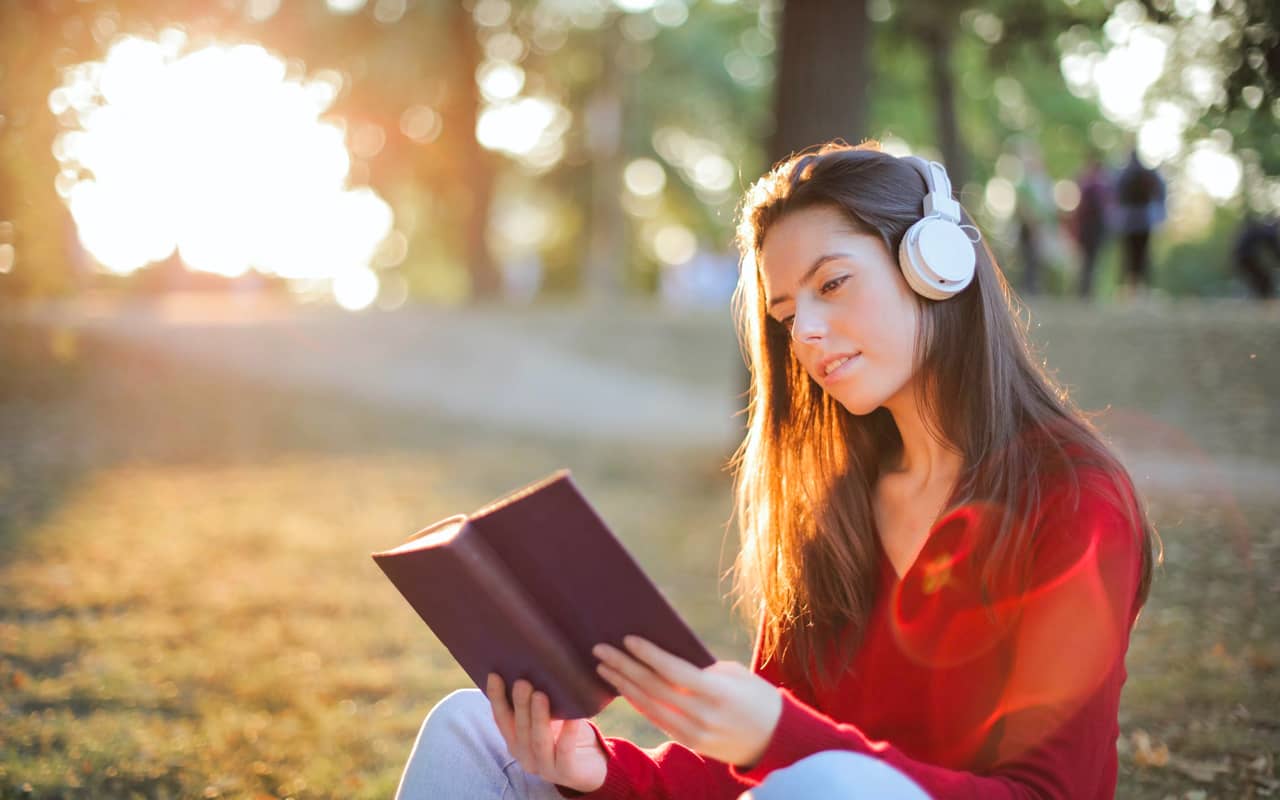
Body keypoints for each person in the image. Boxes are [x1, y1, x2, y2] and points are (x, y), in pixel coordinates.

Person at [393, 141, 1160, 799]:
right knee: (469, 730)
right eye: (788, 315)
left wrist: (784, 739)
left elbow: (1048, 793)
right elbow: (747, 778)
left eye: (832, 284)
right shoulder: (838, 508)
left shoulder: (1073, 495)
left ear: (937, 265)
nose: (810, 334)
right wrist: (601, 771)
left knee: (826, 782)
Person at [1111, 149, 1167, 298]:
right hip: (1144, 220)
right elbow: (1160, 191)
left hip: (1127, 221)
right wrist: (1160, 216)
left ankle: (1128, 289)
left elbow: (1113, 195)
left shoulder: (1123, 174)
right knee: (1143, 256)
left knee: (1127, 256)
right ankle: (1142, 289)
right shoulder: (1148, 174)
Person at [1070, 153, 1112, 299]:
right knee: (1087, 260)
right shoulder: (1092, 184)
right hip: (1089, 227)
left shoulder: (1093, 184)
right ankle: (1084, 290)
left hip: (1093, 227)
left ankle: (1086, 290)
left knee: (1091, 260)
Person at [1232, 214, 1279, 300]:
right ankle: (1265, 302)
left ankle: (1262, 299)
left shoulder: (1261, 228)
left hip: (1240, 257)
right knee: (1265, 280)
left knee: (1261, 279)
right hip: (1245, 256)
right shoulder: (1269, 231)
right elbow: (1275, 250)